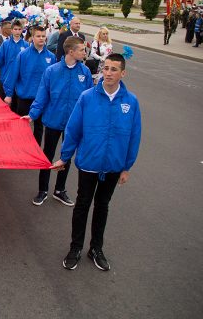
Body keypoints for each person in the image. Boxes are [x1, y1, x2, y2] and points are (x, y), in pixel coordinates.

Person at [52, 53, 141, 272]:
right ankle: (75, 248)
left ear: (123, 73)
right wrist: (65, 156)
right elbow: (73, 129)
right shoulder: (87, 97)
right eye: (106, 68)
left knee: (102, 207)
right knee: (82, 205)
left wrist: (126, 167)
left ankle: (96, 249)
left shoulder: (130, 102)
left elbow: (134, 136)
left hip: (113, 166)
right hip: (89, 163)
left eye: (113, 69)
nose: (108, 73)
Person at [23, 36, 93, 206]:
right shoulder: (52, 71)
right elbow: (42, 96)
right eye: (82, 49)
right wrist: (32, 114)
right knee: (47, 155)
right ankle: (43, 190)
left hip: (73, 124)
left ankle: (60, 190)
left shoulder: (84, 72)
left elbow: (90, 100)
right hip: (53, 121)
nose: (85, 52)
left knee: (66, 156)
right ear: (71, 51)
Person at [3, 26, 56, 145]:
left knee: (39, 128)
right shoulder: (23, 55)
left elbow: (53, 79)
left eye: (43, 36)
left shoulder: (51, 57)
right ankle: (19, 148)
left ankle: (35, 150)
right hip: (25, 97)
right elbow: (13, 74)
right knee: (22, 126)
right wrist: (9, 94)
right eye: (38, 36)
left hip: (42, 99)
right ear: (32, 38)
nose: (41, 38)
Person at [0, 20, 29, 111]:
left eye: (19, 29)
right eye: (15, 29)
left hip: (20, 80)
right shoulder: (5, 44)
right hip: (5, 78)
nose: (17, 31)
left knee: (17, 106)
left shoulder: (26, 45)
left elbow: (28, 63)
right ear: (12, 30)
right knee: (3, 104)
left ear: (22, 30)